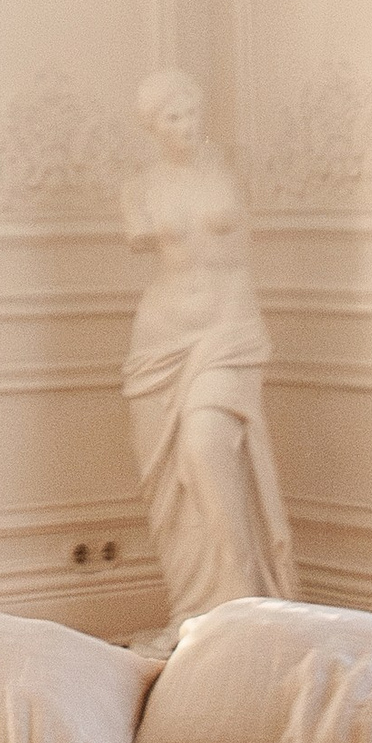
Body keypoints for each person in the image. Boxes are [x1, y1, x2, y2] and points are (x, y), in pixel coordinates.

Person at [120, 69, 298, 624]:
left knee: (206, 443)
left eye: (192, 113)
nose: (186, 125)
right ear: (153, 127)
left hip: (229, 324)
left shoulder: (233, 171)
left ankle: (243, 597)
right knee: (180, 482)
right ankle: (199, 604)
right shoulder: (139, 190)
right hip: (162, 336)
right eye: (172, 118)